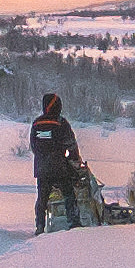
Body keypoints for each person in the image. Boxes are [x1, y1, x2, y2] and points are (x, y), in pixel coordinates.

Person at [30, 92, 85, 233]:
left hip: (41, 168)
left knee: (42, 199)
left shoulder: (37, 123)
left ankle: (40, 226)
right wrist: (75, 160)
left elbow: (33, 146)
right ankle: (74, 223)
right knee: (68, 194)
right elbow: (71, 145)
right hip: (59, 167)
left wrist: (43, 156)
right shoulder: (61, 123)